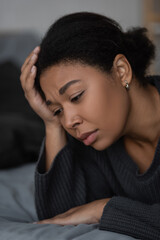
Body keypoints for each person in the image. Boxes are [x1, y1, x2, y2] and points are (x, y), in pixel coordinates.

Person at [20, 12, 160, 240]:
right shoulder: (97, 141)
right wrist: (51, 123)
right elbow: (62, 219)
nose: (69, 121)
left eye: (76, 97)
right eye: (58, 110)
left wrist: (104, 209)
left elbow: (89, 213)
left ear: (121, 70)